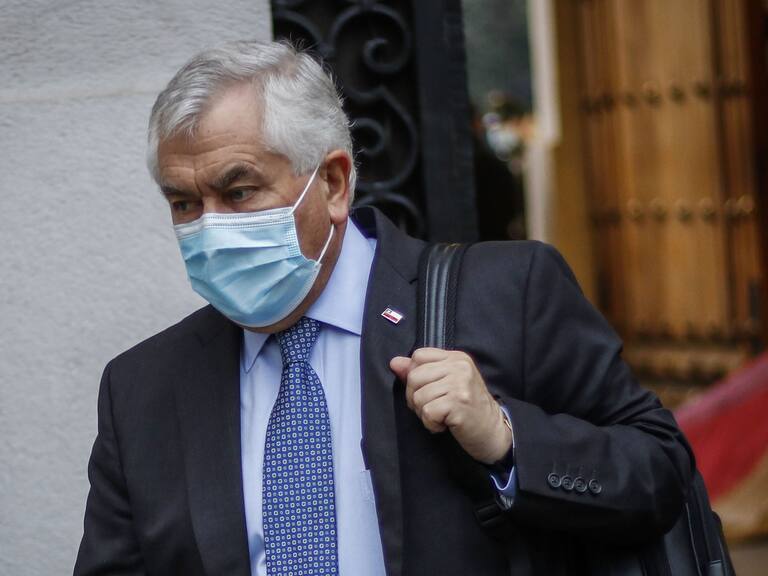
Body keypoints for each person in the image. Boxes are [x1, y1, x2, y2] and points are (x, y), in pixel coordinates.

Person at [74, 40, 694, 576]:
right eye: (184, 204)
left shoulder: (506, 296)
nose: (209, 227)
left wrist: (507, 440)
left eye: (238, 192)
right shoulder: (142, 390)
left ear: (335, 183)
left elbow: (659, 471)